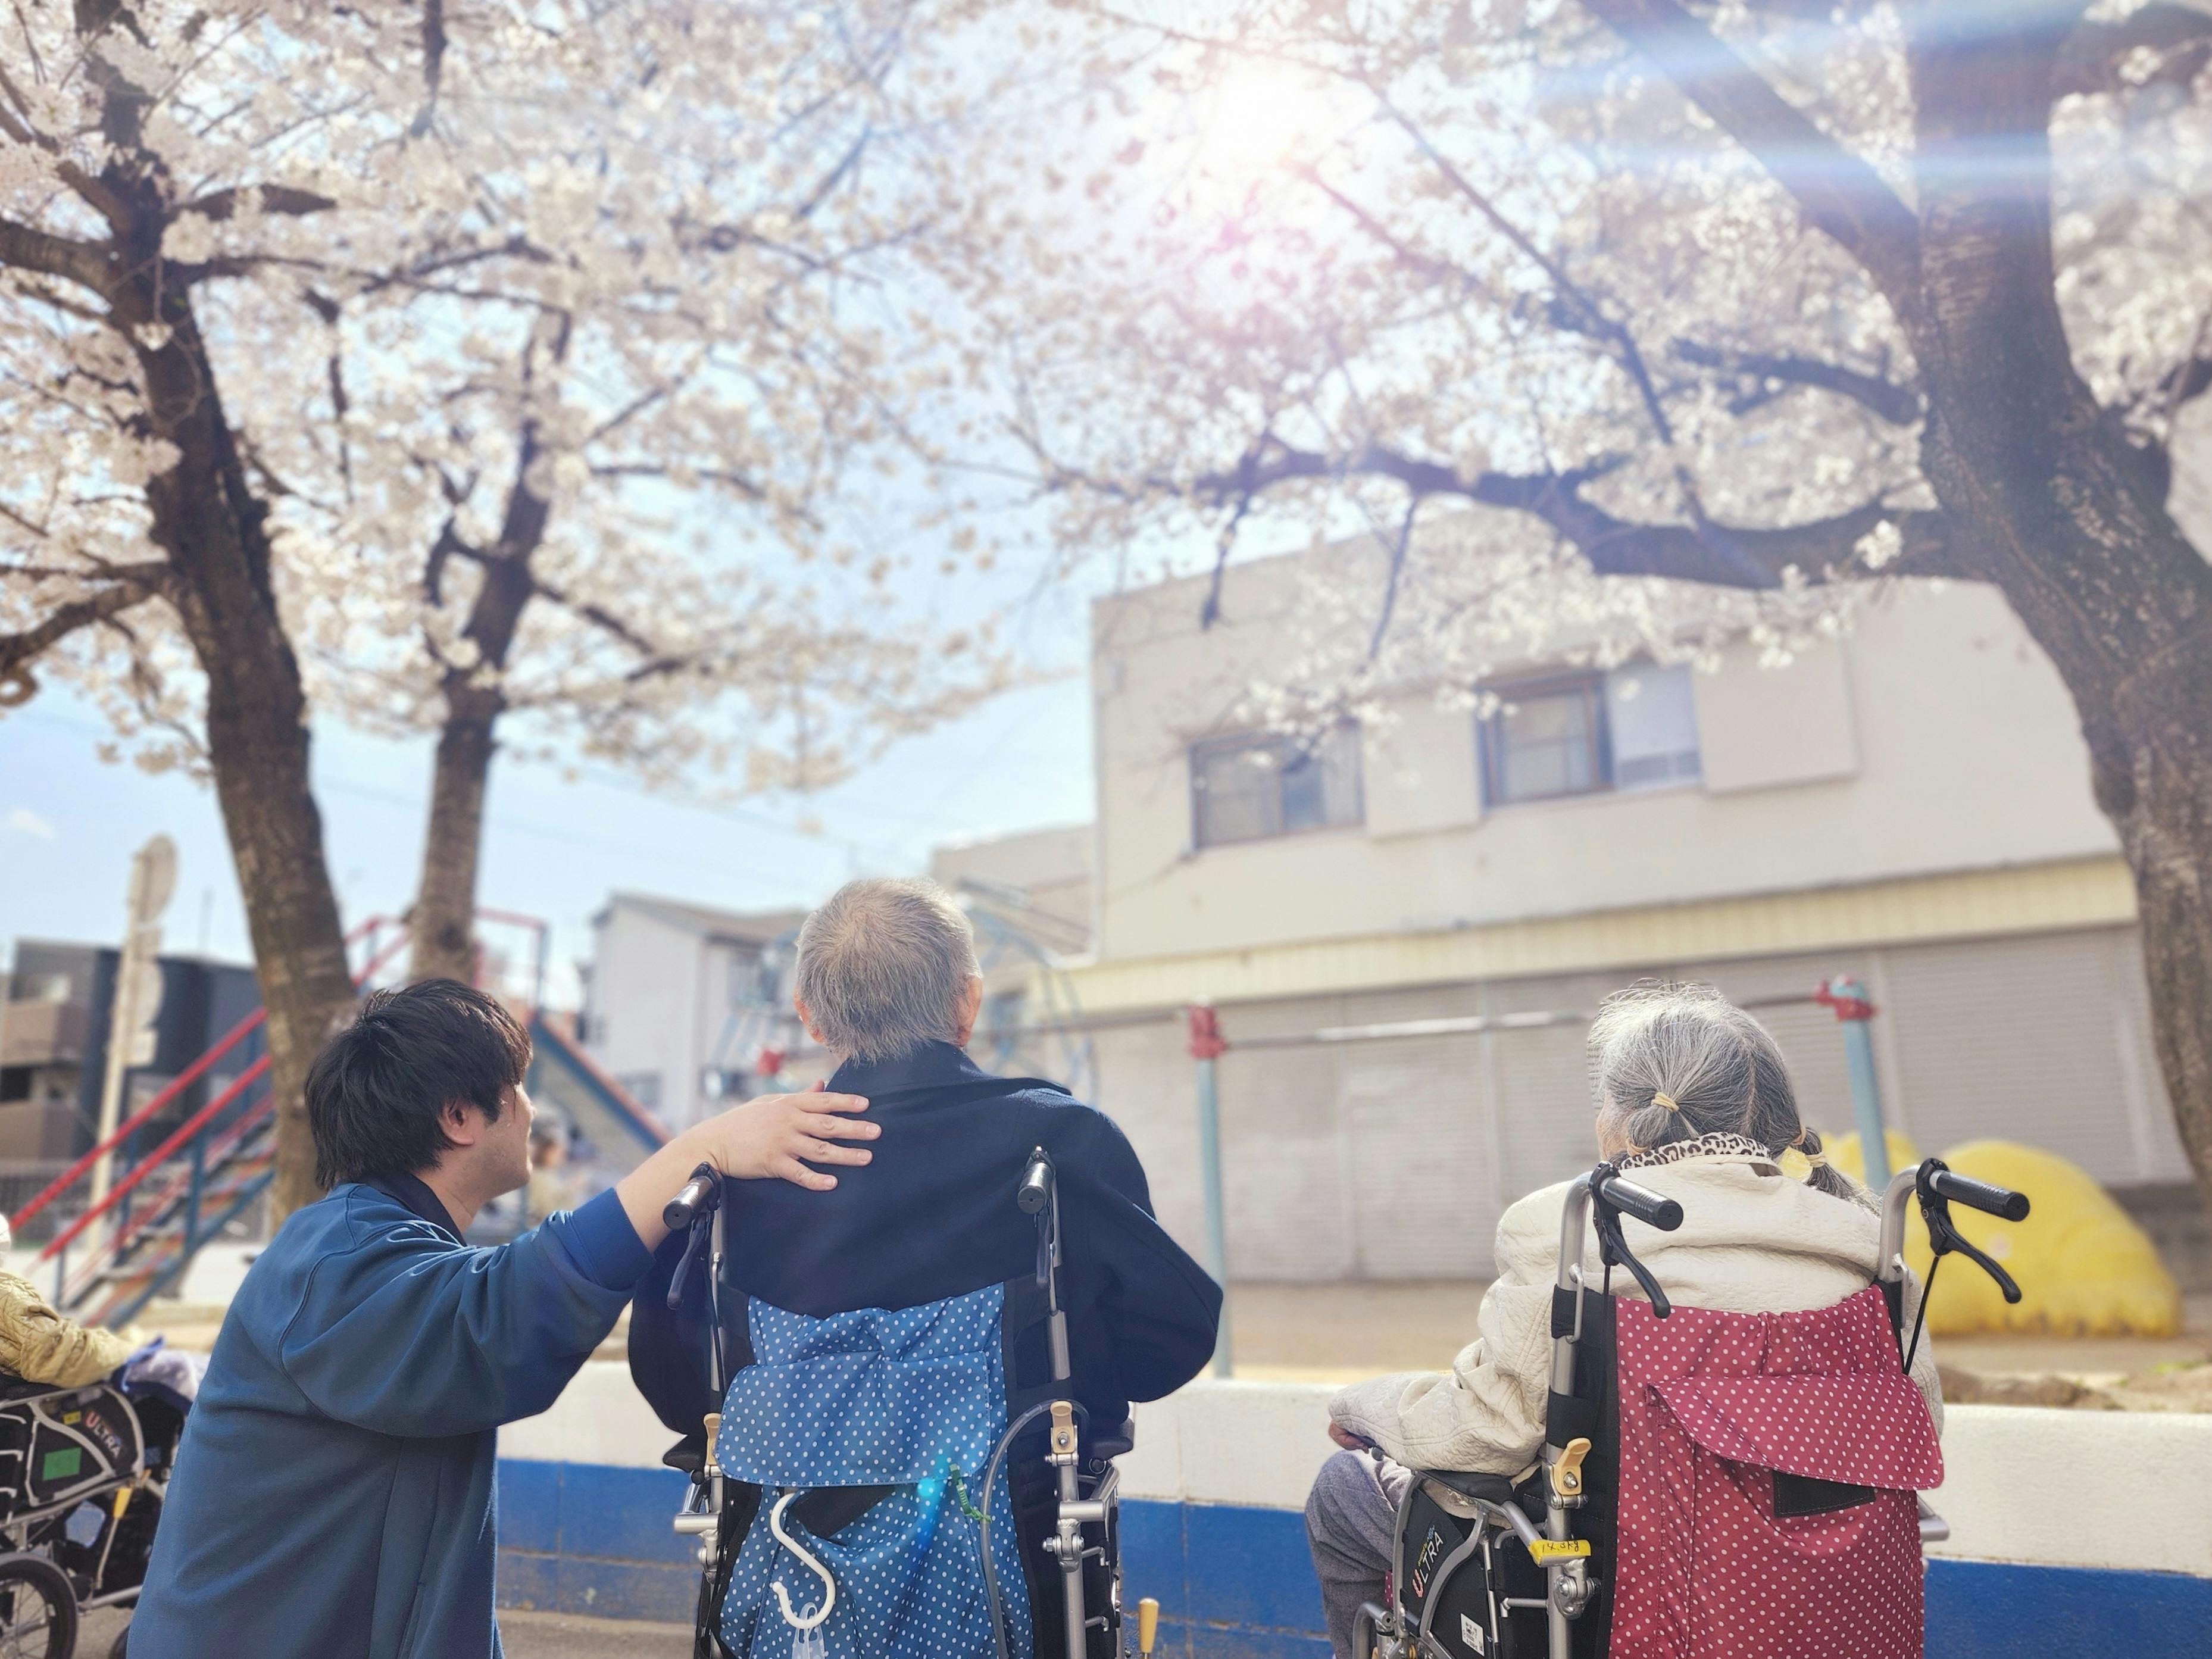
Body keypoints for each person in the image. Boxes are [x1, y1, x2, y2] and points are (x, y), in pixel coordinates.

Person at [129, 977, 879, 1659]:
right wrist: (699, 1150)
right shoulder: (333, 1262)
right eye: (516, 1089)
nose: (529, 1110)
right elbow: (494, 1326)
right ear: (459, 1116)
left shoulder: (379, 1245)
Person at [629, 876, 1221, 1656]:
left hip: (784, 1603)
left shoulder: (738, 1168)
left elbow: (678, 1385)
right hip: (1025, 1586)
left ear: (808, 1014)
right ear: (968, 1003)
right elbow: (1168, 1343)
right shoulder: (1060, 1143)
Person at [1303, 982, 1944, 1658]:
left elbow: (1490, 1433)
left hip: (1604, 1587)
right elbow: (1917, 1425)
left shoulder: (1572, 1222)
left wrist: (1365, 1405)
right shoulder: (1864, 1240)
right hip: (1835, 1602)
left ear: (1624, 1118)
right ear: (1780, 1122)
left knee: (1341, 1492)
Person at [0, 1213, 142, 1387]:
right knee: (176, 1366)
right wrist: (127, 1344)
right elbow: (69, 1359)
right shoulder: (7, 1297)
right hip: (42, 1395)